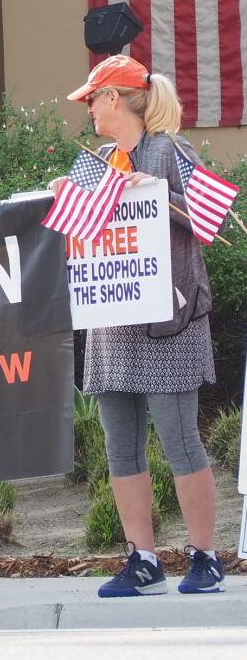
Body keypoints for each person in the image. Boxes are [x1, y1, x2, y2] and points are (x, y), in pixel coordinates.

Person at [55, 54, 223, 597]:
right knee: (119, 447)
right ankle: (142, 558)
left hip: (169, 322)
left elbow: (209, 221)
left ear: (115, 99)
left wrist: (159, 195)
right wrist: (60, 196)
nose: (87, 109)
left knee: (180, 440)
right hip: (112, 325)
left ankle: (206, 557)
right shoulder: (96, 160)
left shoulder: (171, 150)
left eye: (92, 99)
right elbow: (69, 230)